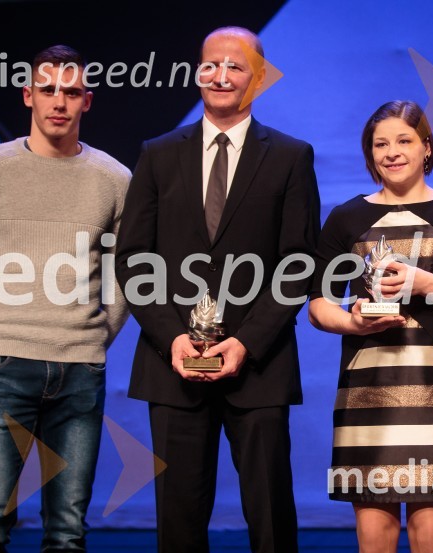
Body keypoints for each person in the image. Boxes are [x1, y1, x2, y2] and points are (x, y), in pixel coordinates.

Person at [115, 26, 320, 553]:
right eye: (210, 64)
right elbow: (134, 259)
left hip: (259, 364)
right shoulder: (158, 153)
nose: (220, 75)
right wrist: (171, 338)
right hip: (174, 365)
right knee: (178, 519)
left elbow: (297, 264)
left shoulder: (291, 156)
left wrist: (246, 342)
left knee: (270, 513)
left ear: (257, 79)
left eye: (235, 66)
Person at [0, 45, 131, 551]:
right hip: (1, 366)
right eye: (47, 89)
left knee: (67, 533)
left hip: (79, 370)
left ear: (86, 101)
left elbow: (128, 272)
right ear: (28, 95)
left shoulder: (114, 179)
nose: (58, 102)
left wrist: (94, 336)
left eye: (71, 92)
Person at [308, 100, 433, 553]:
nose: (392, 152)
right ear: (369, 154)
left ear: (427, 148)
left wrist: (423, 282)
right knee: (374, 537)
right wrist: (354, 323)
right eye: (380, 144)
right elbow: (317, 305)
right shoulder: (346, 217)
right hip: (367, 388)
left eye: (404, 140)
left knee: (429, 536)